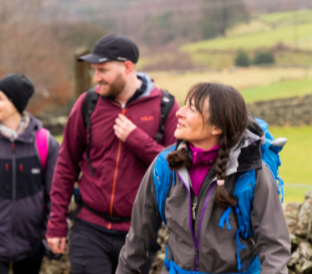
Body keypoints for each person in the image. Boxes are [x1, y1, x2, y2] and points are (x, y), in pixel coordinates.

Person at [116, 82, 291, 274]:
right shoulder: (164, 167)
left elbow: (274, 247)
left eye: (191, 108)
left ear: (216, 127)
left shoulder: (252, 173)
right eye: (184, 104)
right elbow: (137, 242)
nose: (179, 113)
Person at [46, 34, 180, 274]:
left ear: (127, 67)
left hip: (139, 231)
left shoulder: (166, 107)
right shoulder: (87, 104)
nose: (96, 78)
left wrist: (137, 140)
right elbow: (65, 165)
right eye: (94, 71)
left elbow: (176, 167)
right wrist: (56, 224)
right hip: (89, 228)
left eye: (103, 70)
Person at [0, 73, 60, 274]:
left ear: (17, 103)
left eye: (0, 98)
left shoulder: (45, 142)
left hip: (31, 243)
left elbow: (54, 194)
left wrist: (54, 229)